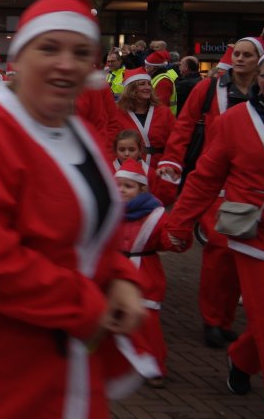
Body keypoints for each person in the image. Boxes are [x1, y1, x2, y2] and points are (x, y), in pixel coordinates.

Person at [0, 0, 153, 418]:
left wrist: (119, 278)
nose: (66, 64)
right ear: (18, 58)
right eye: (49, 48)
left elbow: (93, 228)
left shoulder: (77, 131)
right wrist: (89, 304)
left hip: (58, 357)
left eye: (81, 52)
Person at [166, 47, 264, 418]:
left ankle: (242, 357)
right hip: (258, 234)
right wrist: (178, 222)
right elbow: (206, 177)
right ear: (259, 81)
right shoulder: (235, 120)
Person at [156, 36, 262, 349]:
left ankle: (242, 321)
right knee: (219, 250)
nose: (240, 59)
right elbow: (185, 127)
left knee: (253, 255)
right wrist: (172, 163)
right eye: (237, 54)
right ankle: (215, 320)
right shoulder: (208, 89)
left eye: (247, 55)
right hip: (216, 181)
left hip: (258, 185)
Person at [113, 158, 175, 388]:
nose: (122, 191)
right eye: (118, 185)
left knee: (148, 324)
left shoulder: (156, 215)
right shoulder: (110, 211)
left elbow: (170, 241)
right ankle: (122, 363)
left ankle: (156, 365)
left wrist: (179, 236)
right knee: (116, 319)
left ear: (142, 189)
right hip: (116, 273)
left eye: (128, 186)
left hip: (146, 275)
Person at [112, 68, 174, 170]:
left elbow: (174, 142)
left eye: (149, 84)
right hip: (127, 170)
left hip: (159, 168)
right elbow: (111, 143)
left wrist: (170, 164)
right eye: (142, 84)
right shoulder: (117, 112)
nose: (147, 87)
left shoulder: (164, 112)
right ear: (131, 88)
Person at [144, 49, 178, 114]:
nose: (145, 68)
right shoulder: (158, 78)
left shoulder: (163, 82)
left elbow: (160, 106)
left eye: (147, 66)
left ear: (152, 68)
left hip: (163, 121)